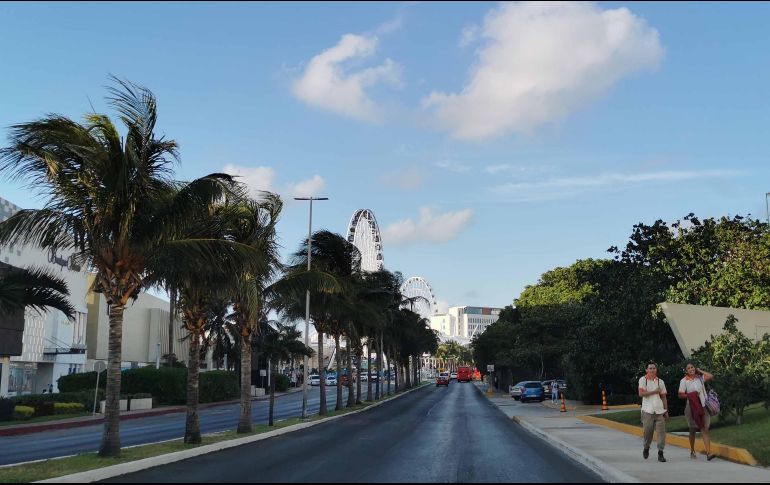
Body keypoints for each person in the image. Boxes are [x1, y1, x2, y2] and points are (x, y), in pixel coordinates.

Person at [678, 362, 716, 461]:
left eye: (692, 367)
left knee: (705, 429)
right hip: (691, 407)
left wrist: (700, 371)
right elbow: (680, 394)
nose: (691, 369)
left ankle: (708, 453)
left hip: (703, 406)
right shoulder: (684, 381)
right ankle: (692, 450)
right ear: (686, 371)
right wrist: (692, 395)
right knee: (692, 429)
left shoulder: (700, 378)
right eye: (689, 368)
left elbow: (710, 376)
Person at [638, 361, 669, 462]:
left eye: (654, 368)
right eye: (650, 368)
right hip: (647, 411)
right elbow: (641, 394)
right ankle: (646, 447)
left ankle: (660, 453)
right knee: (648, 433)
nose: (652, 370)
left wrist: (666, 410)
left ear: (656, 369)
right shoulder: (643, 380)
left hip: (659, 411)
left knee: (661, 433)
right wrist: (655, 391)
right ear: (646, 370)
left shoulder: (661, 382)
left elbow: (664, 397)